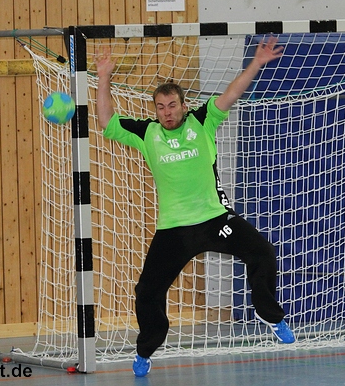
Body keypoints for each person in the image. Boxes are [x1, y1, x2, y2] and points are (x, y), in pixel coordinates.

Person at [94, 36, 296, 377]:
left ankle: (269, 315)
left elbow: (231, 94)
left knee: (262, 252)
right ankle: (145, 349)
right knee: (147, 291)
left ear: (183, 105)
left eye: (172, 105)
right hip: (174, 230)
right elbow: (106, 121)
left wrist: (256, 62)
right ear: (155, 110)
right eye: (161, 107)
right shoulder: (147, 133)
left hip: (215, 220)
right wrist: (103, 78)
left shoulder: (202, 121)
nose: (167, 112)